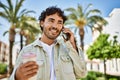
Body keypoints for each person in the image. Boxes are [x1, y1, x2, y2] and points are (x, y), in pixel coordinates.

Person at [9, 6, 87, 80]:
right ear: (42, 23)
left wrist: (72, 44)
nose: (55, 26)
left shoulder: (69, 49)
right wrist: (17, 76)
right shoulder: (27, 51)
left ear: (63, 27)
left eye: (59, 22)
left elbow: (81, 74)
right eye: (51, 20)